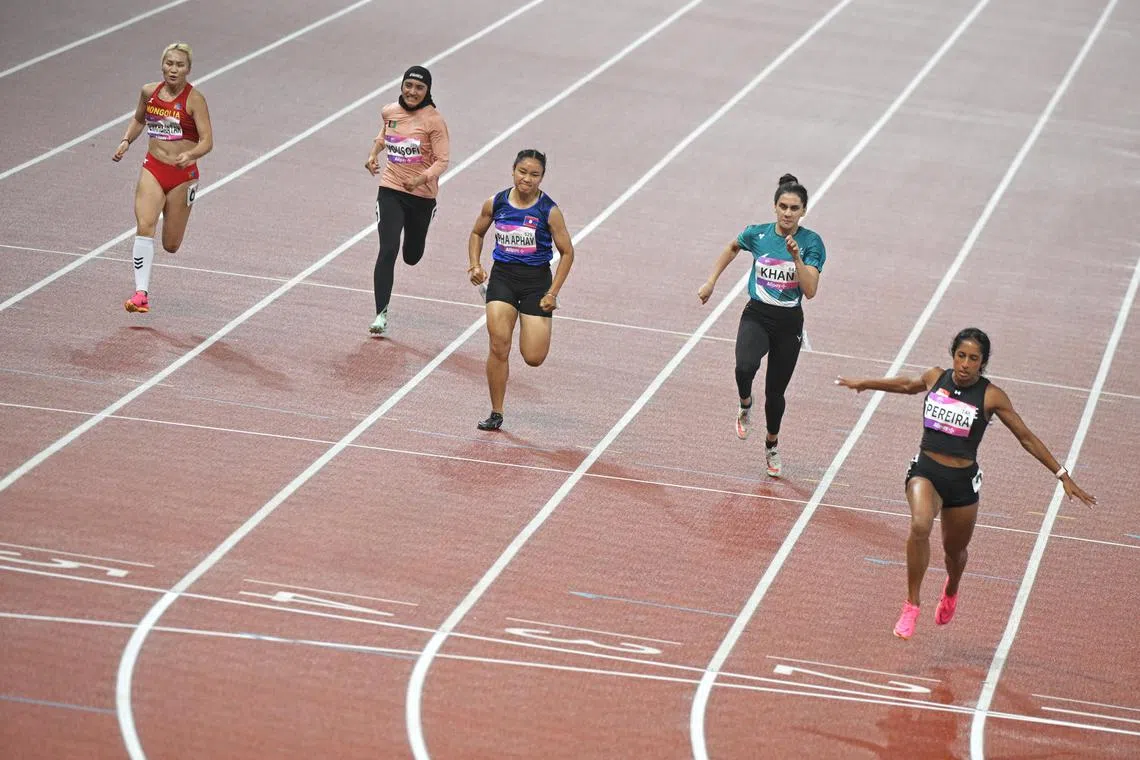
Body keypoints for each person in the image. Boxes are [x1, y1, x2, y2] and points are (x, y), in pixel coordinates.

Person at [835, 327, 1097, 640]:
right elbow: (906, 385)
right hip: (926, 471)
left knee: (955, 553)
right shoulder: (935, 377)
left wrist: (1062, 474)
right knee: (920, 525)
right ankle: (912, 604)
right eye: (961, 356)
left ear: (982, 363)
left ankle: (952, 588)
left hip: (962, 484)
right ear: (953, 355)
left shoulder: (991, 396)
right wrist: (865, 383)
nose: (965, 364)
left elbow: (1026, 438)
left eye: (973, 359)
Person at [697, 173, 825, 477]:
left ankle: (771, 444)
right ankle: (745, 404)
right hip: (757, 314)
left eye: (794, 208)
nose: (788, 213)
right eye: (783, 206)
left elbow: (810, 290)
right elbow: (732, 247)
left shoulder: (811, 243)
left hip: (789, 322)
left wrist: (796, 258)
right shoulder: (758, 234)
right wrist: (711, 281)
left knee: (775, 394)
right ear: (774, 207)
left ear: (803, 211)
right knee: (744, 367)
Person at [467, 149, 574, 430]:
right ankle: (496, 412)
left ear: (542, 178)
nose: (527, 179)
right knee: (498, 345)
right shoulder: (496, 202)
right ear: (513, 171)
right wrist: (475, 265)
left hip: (536, 284)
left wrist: (552, 293)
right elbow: (477, 233)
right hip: (502, 278)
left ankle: (535, 325)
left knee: (533, 357)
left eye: (534, 175)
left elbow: (567, 252)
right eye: (522, 172)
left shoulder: (549, 211)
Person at [113, 42, 213, 314]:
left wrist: (191, 154)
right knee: (145, 225)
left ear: (188, 69)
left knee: (171, 244)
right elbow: (139, 120)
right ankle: (141, 294)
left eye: (180, 65)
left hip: (182, 176)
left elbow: (207, 141)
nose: (173, 69)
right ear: (162, 65)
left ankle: (173, 209)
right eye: (169, 63)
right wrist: (126, 140)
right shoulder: (149, 92)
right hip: (154, 168)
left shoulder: (195, 100)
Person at [364, 65, 450, 335]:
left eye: (419, 88)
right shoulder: (390, 112)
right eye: (408, 86)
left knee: (411, 256)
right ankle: (380, 314)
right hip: (390, 189)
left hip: (421, 196)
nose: (412, 92)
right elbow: (384, 136)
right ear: (402, 86)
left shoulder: (434, 121)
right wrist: (373, 154)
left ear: (428, 91)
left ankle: (423, 225)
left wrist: (420, 179)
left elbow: (442, 160)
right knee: (388, 248)